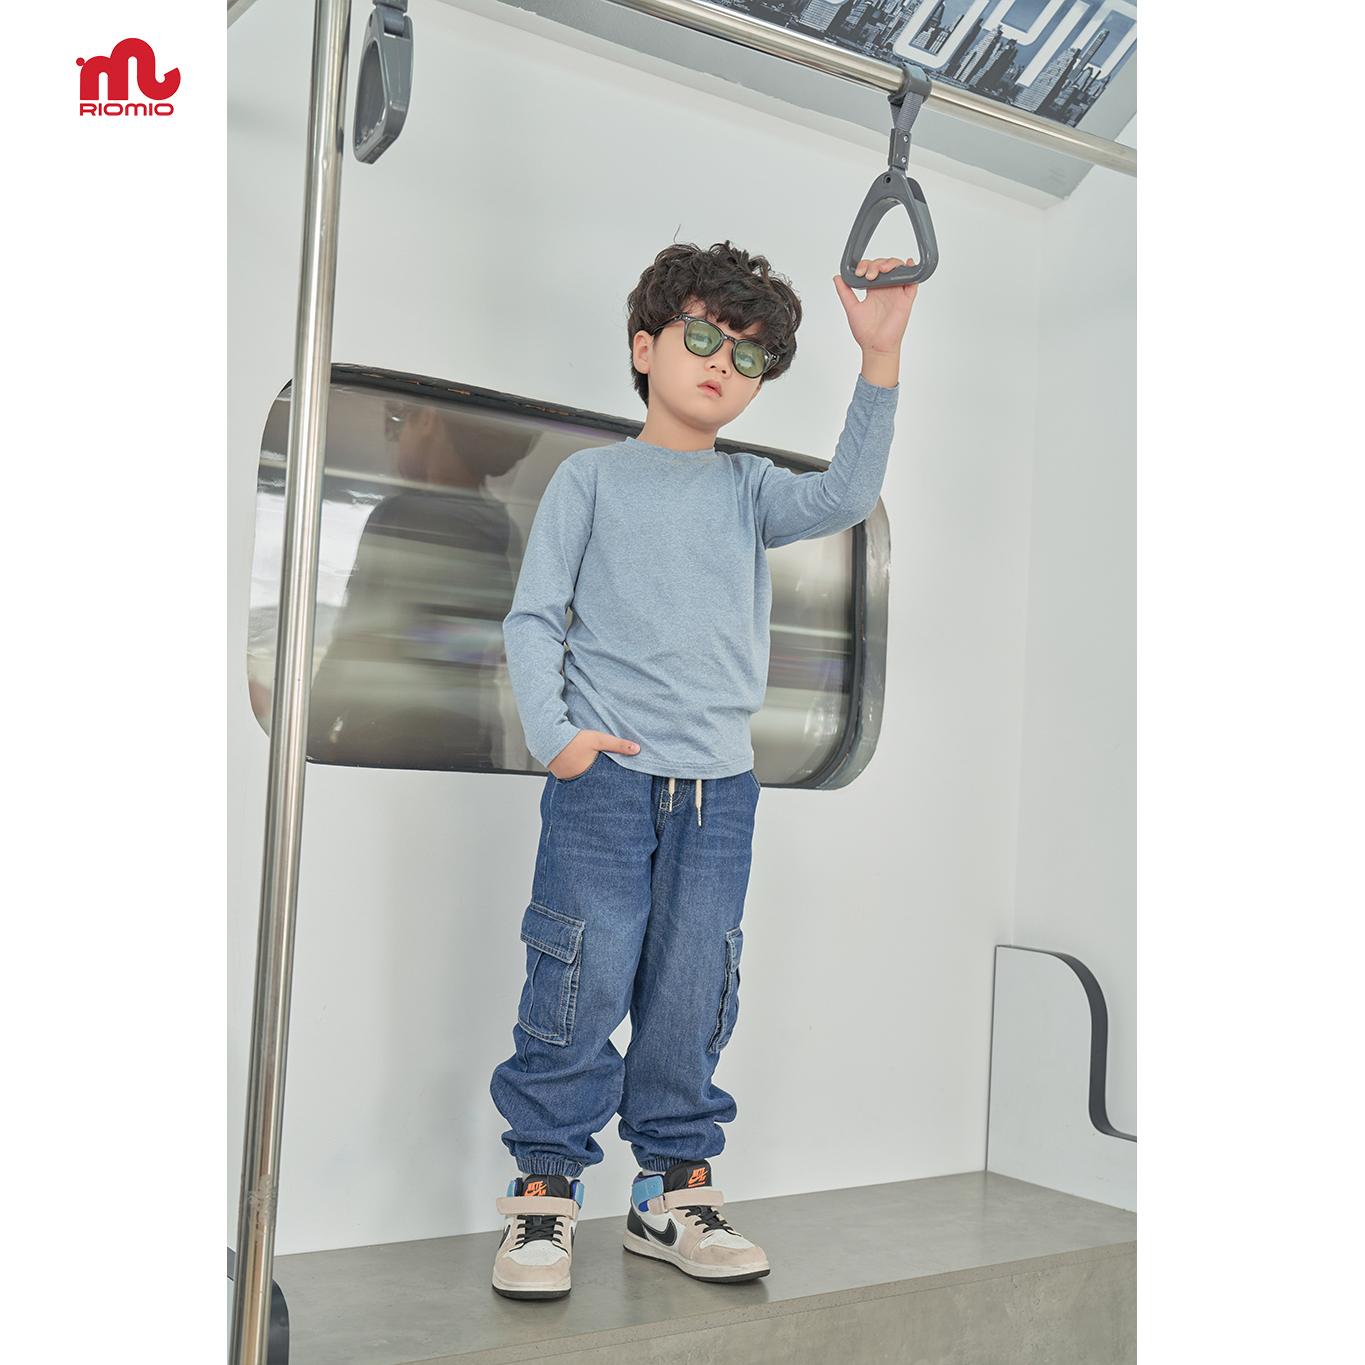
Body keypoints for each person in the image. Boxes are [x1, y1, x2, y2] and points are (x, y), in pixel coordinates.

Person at [487, 241, 917, 1299]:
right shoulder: (591, 478)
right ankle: (544, 1194)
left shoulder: (748, 487)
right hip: (605, 784)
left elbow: (849, 492)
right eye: (701, 337)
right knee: (579, 977)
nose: (723, 362)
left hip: (719, 793)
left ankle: (670, 1192)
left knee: (692, 987)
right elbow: (535, 619)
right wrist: (559, 738)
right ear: (646, 347)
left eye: (749, 354)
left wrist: (880, 355)